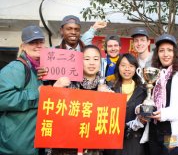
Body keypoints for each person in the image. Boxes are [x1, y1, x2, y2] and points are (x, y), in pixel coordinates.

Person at [141, 34, 178, 155]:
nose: (165, 54)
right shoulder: (154, 73)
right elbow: (147, 99)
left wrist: (165, 113)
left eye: (169, 50)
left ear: (175, 53)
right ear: (157, 54)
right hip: (154, 132)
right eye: (161, 50)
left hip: (175, 134)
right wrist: (142, 109)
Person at [50, 45, 110, 155]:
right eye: (87, 59)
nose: (91, 63)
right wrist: (55, 89)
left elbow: (109, 123)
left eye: (96, 59)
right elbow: (51, 113)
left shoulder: (107, 88)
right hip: (65, 147)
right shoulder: (66, 83)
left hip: (93, 148)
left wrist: (107, 99)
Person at [0, 25, 45, 155]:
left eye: (40, 41)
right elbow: (2, 98)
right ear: (23, 46)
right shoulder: (16, 68)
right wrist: (37, 94)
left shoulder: (40, 69)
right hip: (16, 147)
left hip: (33, 144)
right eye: (32, 42)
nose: (38, 45)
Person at [103, 53, 147, 155]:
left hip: (135, 142)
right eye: (123, 65)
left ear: (136, 69)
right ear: (118, 67)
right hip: (112, 142)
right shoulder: (109, 88)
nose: (127, 69)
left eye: (131, 66)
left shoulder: (144, 90)